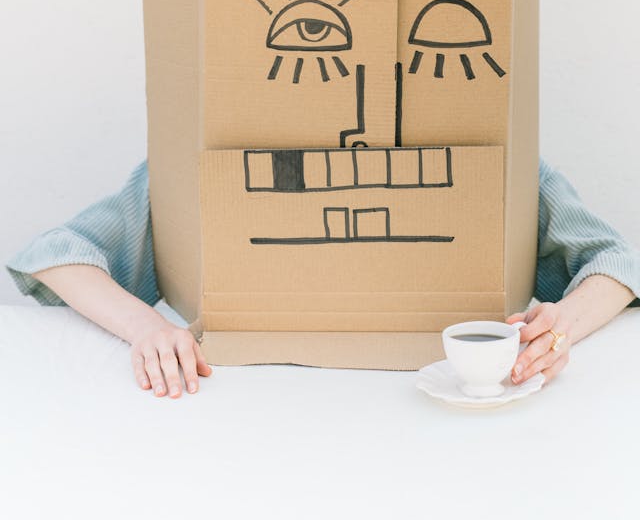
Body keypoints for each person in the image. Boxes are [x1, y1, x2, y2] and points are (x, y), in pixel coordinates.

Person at [6, 158, 639, 399]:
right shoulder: (216, 161)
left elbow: (617, 262)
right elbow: (56, 250)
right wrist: (145, 327)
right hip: (238, 449)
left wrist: (558, 329)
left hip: (452, 458)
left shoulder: (484, 162)